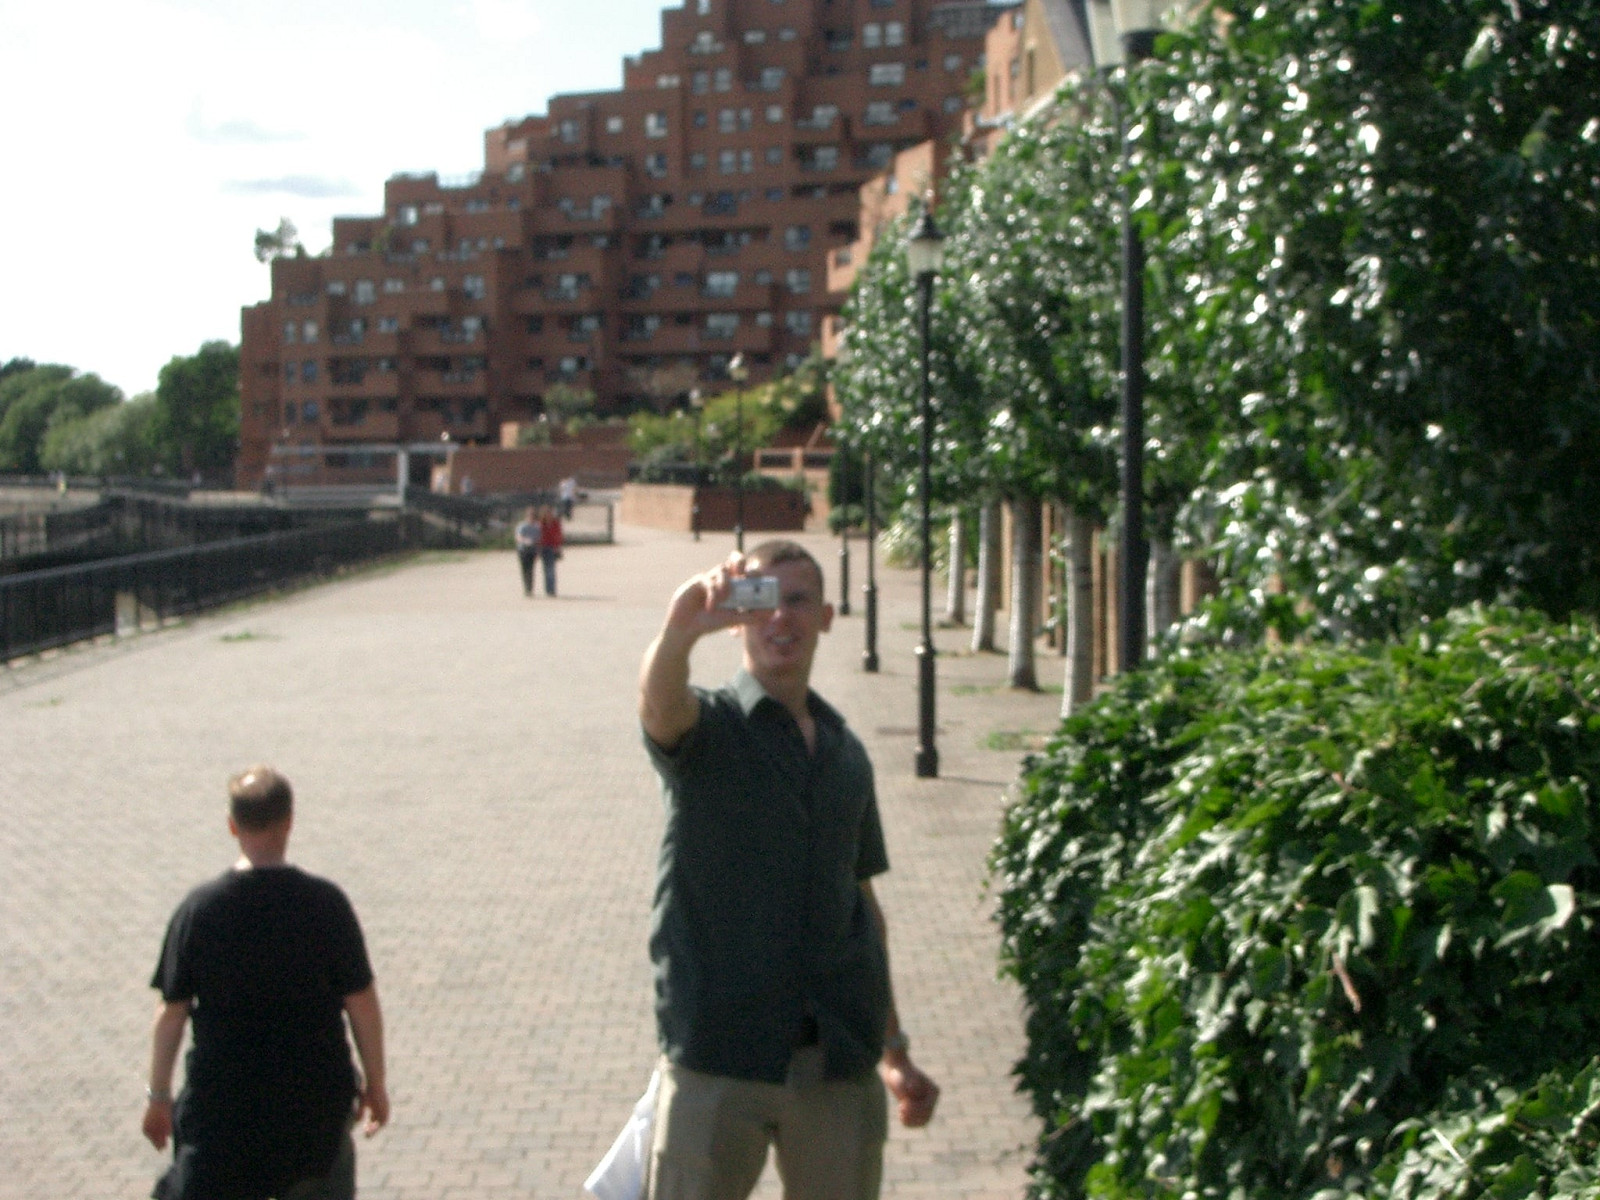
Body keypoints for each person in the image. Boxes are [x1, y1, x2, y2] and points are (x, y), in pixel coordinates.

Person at [637, 540, 939, 1200]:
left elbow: (862, 905)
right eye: (762, 600)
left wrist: (895, 1050)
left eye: (798, 600)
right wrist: (680, 631)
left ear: (826, 617)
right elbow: (659, 707)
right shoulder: (708, 728)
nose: (781, 618)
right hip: (719, 1055)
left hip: (836, 1060)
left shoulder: (845, 753)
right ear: (738, 618)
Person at [142, 766, 389, 1200]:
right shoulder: (326, 905)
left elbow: (172, 1014)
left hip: (224, 1116)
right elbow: (362, 1004)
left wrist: (158, 1097)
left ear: (232, 826)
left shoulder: (200, 909)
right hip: (313, 1111)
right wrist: (376, 1085)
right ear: (289, 821)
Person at [515, 506, 542, 597]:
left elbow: (539, 540)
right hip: (523, 550)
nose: (531, 517)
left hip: (532, 550)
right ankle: (526, 587)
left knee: (531, 570)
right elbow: (518, 537)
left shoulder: (537, 527)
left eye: (533, 516)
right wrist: (525, 540)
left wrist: (538, 551)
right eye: (530, 515)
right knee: (524, 569)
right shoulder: (522, 526)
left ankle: (530, 588)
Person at [538, 504, 564, 597]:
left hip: (552, 547)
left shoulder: (555, 523)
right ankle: (548, 589)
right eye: (546, 513)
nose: (548, 515)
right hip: (543, 547)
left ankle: (552, 589)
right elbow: (538, 536)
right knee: (546, 569)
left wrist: (558, 546)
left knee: (551, 569)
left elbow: (559, 535)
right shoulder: (541, 524)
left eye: (549, 513)